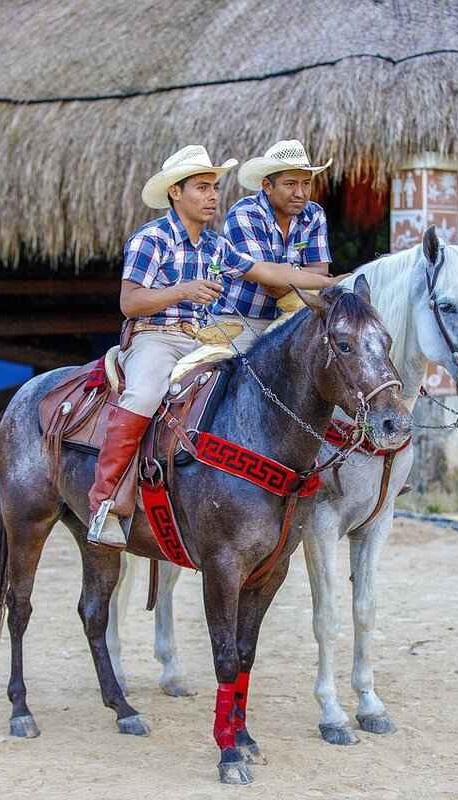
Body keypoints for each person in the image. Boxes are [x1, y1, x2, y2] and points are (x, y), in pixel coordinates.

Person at [87, 145, 340, 548]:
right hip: (155, 337)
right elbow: (129, 302)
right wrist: (181, 291)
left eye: (214, 188)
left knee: (248, 386)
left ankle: (205, 487)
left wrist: (332, 284)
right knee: (146, 392)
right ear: (175, 192)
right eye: (202, 188)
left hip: (201, 337)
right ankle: (107, 502)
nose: (212, 196)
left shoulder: (214, 246)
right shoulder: (150, 240)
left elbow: (266, 271)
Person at [214, 139, 333, 351]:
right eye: (290, 184)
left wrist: (288, 274)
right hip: (240, 321)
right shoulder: (246, 213)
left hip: (294, 318)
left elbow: (320, 274)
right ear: (267, 186)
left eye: (306, 183)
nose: (301, 193)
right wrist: (315, 280)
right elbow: (270, 283)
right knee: (233, 377)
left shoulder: (314, 214)